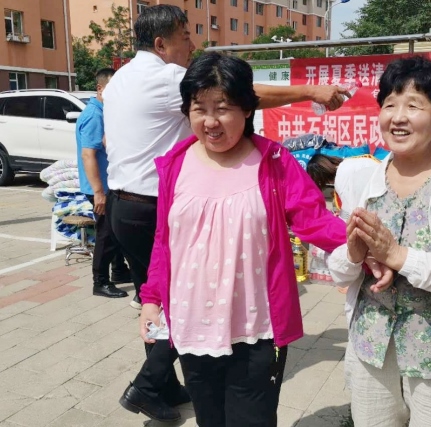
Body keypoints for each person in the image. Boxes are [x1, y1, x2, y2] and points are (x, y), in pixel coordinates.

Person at [108, 5, 356, 421]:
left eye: (222, 107)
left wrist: (368, 248)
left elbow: (314, 221)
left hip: (256, 328)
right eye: (199, 108)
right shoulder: (174, 164)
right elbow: (166, 241)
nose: (210, 121)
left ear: (246, 109)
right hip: (191, 324)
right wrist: (151, 298)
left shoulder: (273, 162)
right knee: (210, 418)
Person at [327, 56, 431, 427]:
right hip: (370, 349)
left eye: (414, 106)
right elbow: (339, 274)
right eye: (389, 104)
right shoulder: (361, 178)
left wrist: (398, 255)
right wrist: (355, 255)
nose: (398, 118)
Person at [75, 67, 130, 298]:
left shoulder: (105, 112)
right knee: (106, 234)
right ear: (100, 88)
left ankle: (118, 270)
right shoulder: (94, 116)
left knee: (115, 231)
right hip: (100, 188)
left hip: (109, 185)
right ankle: (100, 282)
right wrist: (98, 192)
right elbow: (88, 155)